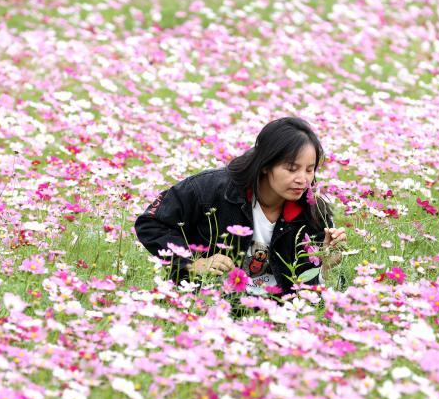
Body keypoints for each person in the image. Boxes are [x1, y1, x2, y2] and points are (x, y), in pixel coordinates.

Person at [134, 117, 347, 296]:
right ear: (265, 164)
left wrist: (325, 261)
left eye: (309, 170)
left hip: (278, 316)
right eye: (292, 169)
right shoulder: (211, 189)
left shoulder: (313, 211)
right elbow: (150, 223)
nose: (303, 179)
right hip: (211, 304)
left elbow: (307, 289)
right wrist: (193, 263)